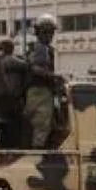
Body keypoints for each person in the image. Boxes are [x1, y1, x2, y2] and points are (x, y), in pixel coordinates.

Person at [23, 14, 62, 149]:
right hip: (40, 91)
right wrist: (54, 77)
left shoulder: (39, 47)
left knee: (45, 124)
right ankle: (37, 153)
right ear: (39, 32)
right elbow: (35, 68)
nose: (49, 35)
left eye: (50, 32)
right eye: (46, 32)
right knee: (42, 124)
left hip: (38, 91)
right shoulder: (41, 48)